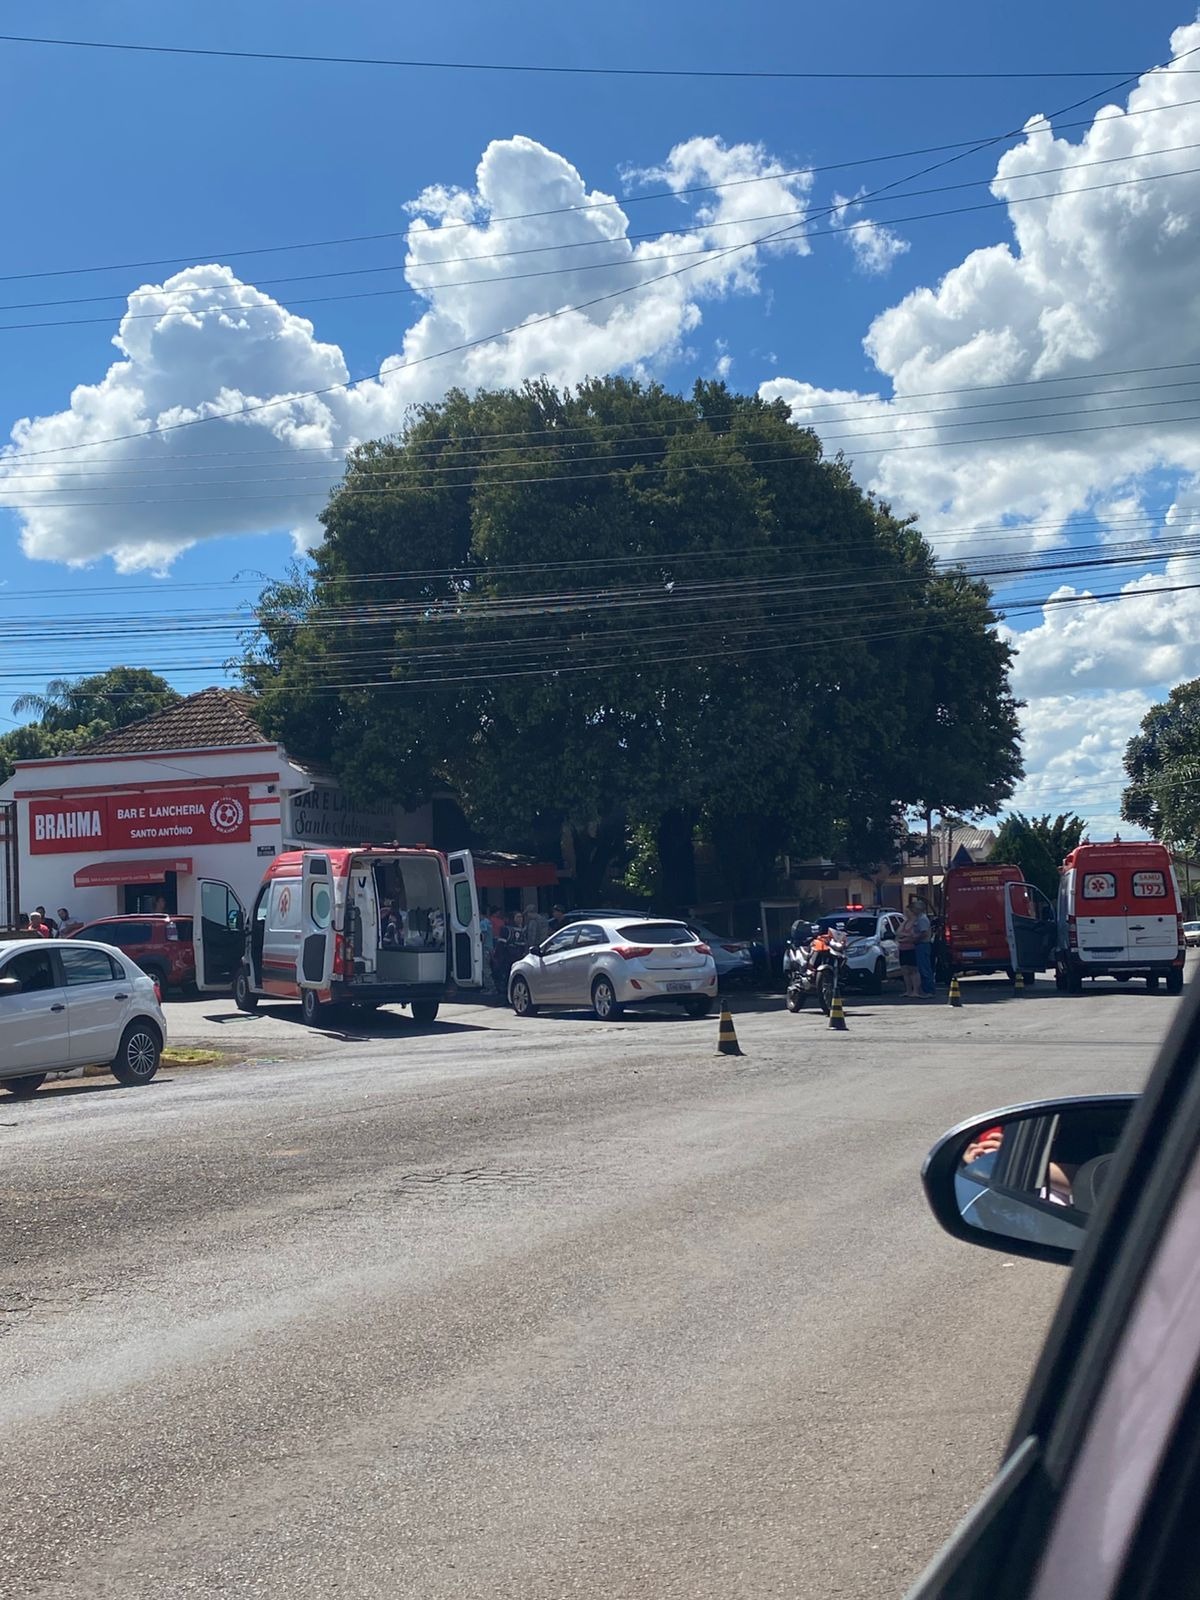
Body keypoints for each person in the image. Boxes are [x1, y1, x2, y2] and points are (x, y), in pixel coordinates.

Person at [911, 896, 936, 997]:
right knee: (923, 968)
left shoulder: (922, 919)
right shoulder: (919, 918)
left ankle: (929, 991)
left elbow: (924, 933)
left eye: (914, 908)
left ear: (918, 909)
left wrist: (915, 939)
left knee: (924, 968)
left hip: (923, 945)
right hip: (921, 945)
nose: (912, 910)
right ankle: (926, 990)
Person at [896, 905, 922, 998]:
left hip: (912, 948)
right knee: (905, 970)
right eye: (905, 912)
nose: (906, 914)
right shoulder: (905, 922)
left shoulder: (916, 922)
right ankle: (908, 990)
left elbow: (914, 935)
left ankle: (916, 991)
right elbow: (898, 933)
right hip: (902, 949)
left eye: (908, 912)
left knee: (913, 970)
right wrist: (905, 936)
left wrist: (904, 937)